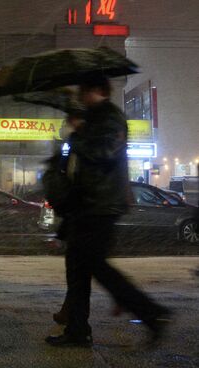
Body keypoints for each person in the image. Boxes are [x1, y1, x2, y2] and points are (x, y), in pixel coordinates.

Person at [45, 76, 171, 347]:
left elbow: (102, 152)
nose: (81, 96)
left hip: (100, 205)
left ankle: (152, 313)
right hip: (85, 205)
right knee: (78, 270)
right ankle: (78, 331)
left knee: (94, 266)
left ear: (98, 91)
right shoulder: (94, 117)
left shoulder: (110, 118)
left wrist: (79, 132)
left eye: (84, 91)